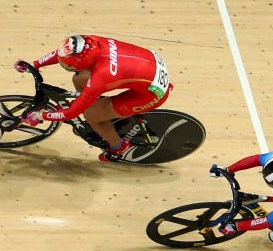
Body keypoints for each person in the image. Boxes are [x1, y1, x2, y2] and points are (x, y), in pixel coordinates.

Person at [14, 34, 172, 162]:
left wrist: (41, 115)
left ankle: (118, 147)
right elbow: (63, 53)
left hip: (151, 95)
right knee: (80, 79)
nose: (67, 66)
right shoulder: (90, 43)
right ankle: (96, 105)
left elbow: (69, 114)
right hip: (147, 68)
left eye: (69, 66)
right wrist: (36, 64)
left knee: (91, 116)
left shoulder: (101, 76)